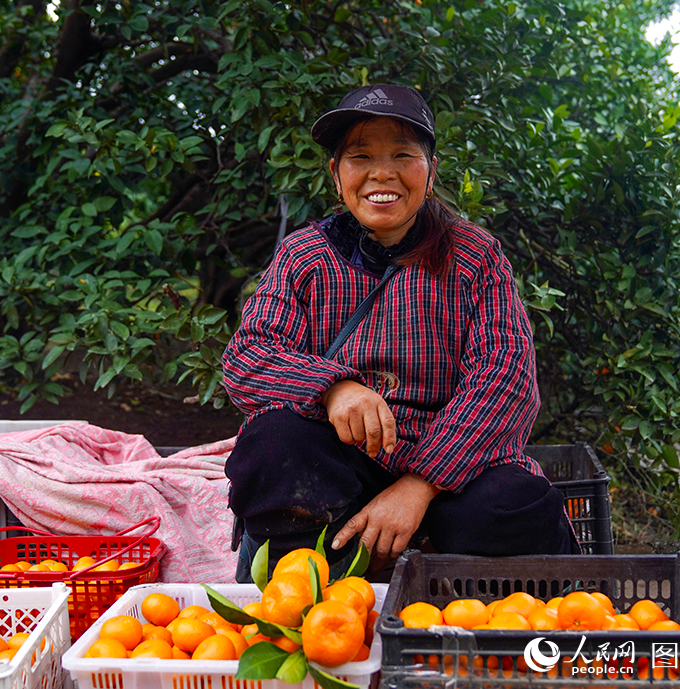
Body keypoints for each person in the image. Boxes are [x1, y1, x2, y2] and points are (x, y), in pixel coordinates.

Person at [221, 83, 578, 582]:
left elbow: (506, 379)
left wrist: (419, 484)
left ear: (429, 173)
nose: (381, 173)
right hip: (344, 466)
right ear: (336, 175)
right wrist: (333, 387)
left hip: (452, 471)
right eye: (361, 155)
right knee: (270, 448)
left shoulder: (475, 256)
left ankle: (428, 584)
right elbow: (247, 357)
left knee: (516, 506)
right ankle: (337, 581)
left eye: (403, 155)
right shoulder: (304, 255)